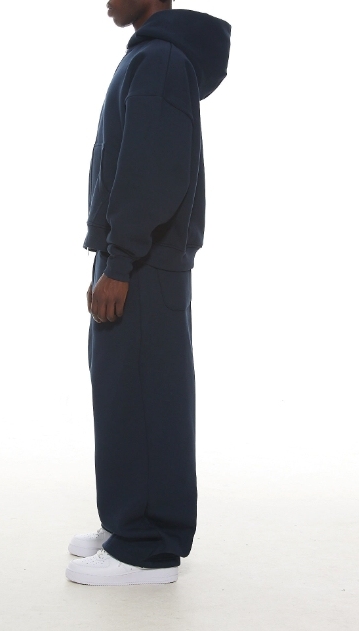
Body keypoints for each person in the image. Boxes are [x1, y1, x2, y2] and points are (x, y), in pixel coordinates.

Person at [65, 0, 231, 586]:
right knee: (126, 395)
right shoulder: (152, 56)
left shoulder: (160, 59)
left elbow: (152, 171)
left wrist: (121, 260)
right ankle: (128, 523)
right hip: (134, 258)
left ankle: (147, 548)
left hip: (142, 262)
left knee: (145, 396)